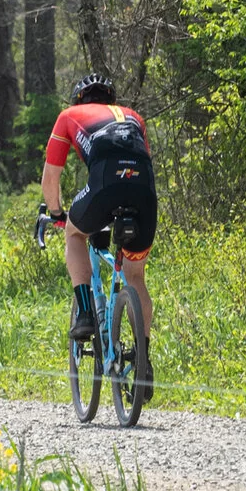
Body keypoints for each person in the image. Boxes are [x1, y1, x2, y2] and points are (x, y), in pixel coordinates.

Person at [40, 72, 157, 343]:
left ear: (79, 99)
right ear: (111, 100)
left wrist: (57, 212)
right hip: (144, 188)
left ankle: (84, 314)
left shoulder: (69, 115)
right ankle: (143, 360)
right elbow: (141, 160)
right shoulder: (134, 117)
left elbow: (50, 177)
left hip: (105, 182)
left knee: (74, 233)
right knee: (135, 275)